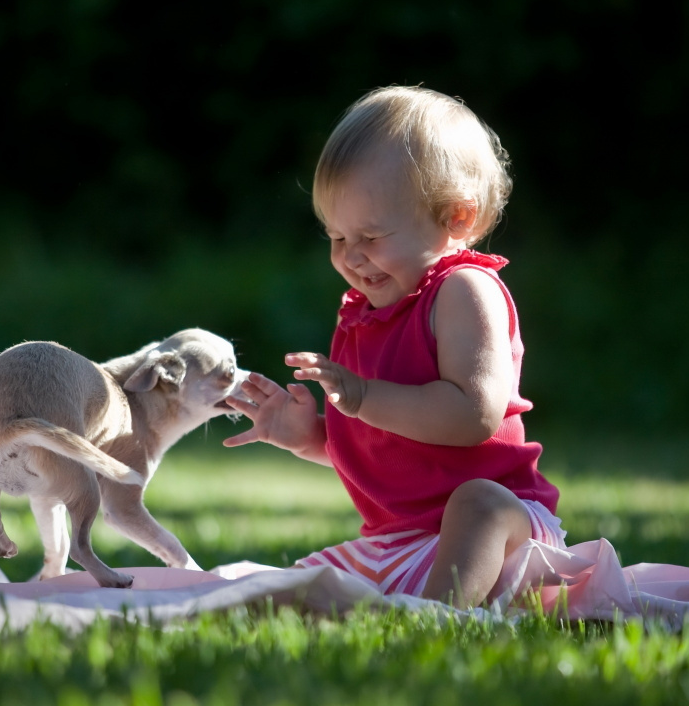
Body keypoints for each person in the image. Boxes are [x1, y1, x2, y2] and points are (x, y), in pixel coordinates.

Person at [223, 85, 562, 609]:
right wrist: (309, 436)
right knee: (282, 597)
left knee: (478, 504)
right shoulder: (363, 313)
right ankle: (421, 604)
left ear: (457, 218)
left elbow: (473, 415)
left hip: (504, 539)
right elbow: (386, 447)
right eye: (336, 238)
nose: (352, 257)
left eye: (372, 236)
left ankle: (438, 618)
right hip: (403, 545)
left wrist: (360, 397)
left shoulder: (463, 290)